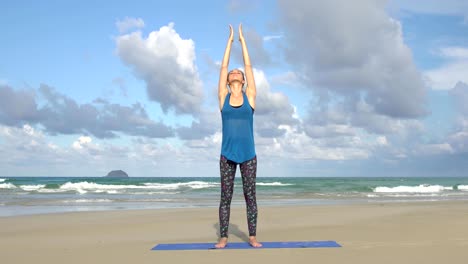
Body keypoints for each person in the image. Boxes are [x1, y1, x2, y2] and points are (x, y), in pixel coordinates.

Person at [215, 24, 262, 249]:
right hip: (227, 155)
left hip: (248, 156)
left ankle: (252, 236)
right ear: (227, 81)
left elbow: (248, 65)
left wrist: (243, 41)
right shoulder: (222, 96)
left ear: (243, 81)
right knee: (225, 198)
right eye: (232, 72)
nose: (235, 71)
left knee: (250, 197)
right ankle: (223, 236)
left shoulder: (250, 96)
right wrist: (229, 41)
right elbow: (223, 66)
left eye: (238, 73)